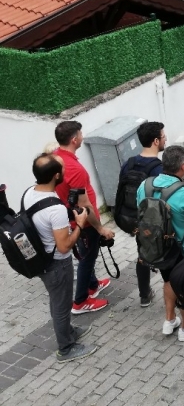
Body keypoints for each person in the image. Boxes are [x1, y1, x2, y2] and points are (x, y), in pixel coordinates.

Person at [26, 153, 98, 362]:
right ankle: (65, 348)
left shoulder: (30, 193)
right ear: (57, 176)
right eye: (62, 168)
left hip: (41, 258)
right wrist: (81, 223)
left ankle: (68, 331)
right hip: (56, 264)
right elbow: (65, 246)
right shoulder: (55, 209)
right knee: (61, 305)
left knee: (58, 301)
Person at [136, 145, 184, 342]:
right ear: (183, 166)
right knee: (183, 286)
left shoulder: (144, 185)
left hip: (155, 247)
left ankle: (169, 319)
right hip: (178, 250)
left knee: (168, 280)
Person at [54, 121, 115, 315]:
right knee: (87, 259)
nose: (82, 136)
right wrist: (100, 228)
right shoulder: (74, 168)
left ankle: (93, 285)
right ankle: (80, 301)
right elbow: (85, 206)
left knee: (86, 253)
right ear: (74, 139)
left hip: (73, 218)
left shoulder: (57, 157)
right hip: (85, 223)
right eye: (80, 134)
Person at [116, 121, 166, 307]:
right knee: (166, 256)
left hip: (131, 220)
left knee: (142, 254)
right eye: (163, 136)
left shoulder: (128, 164)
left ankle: (145, 295)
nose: (165, 138)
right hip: (152, 223)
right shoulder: (158, 169)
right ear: (155, 141)